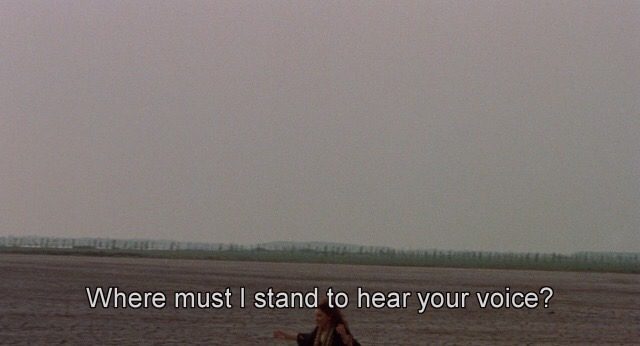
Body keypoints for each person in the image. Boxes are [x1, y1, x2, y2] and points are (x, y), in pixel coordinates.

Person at [273, 298, 360, 346]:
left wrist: (344, 337)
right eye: (316, 316)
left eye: (320, 316)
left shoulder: (338, 330)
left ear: (329, 316)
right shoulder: (319, 330)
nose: (316, 319)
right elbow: (307, 339)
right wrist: (286, 335)